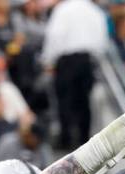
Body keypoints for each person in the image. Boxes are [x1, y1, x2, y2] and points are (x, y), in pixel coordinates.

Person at [40, 0, 109, 151]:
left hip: (67, 61)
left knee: (65, 101)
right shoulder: (95, 11)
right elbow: (102, 41)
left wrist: (48, 59)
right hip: (87, 61)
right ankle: (84, 140)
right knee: (84, 102)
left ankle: (66, 139)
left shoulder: (63, 9)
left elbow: (55, 35)